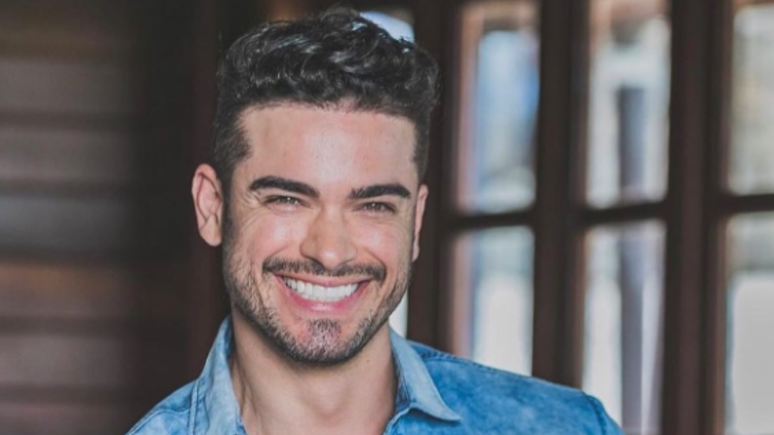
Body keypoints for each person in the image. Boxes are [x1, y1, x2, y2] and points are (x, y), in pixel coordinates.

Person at [128, 8, 623, 435]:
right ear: (212, 207)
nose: (330, 252)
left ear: (416, 221)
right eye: (287, 199)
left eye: (374, 206)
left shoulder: (569, 427)